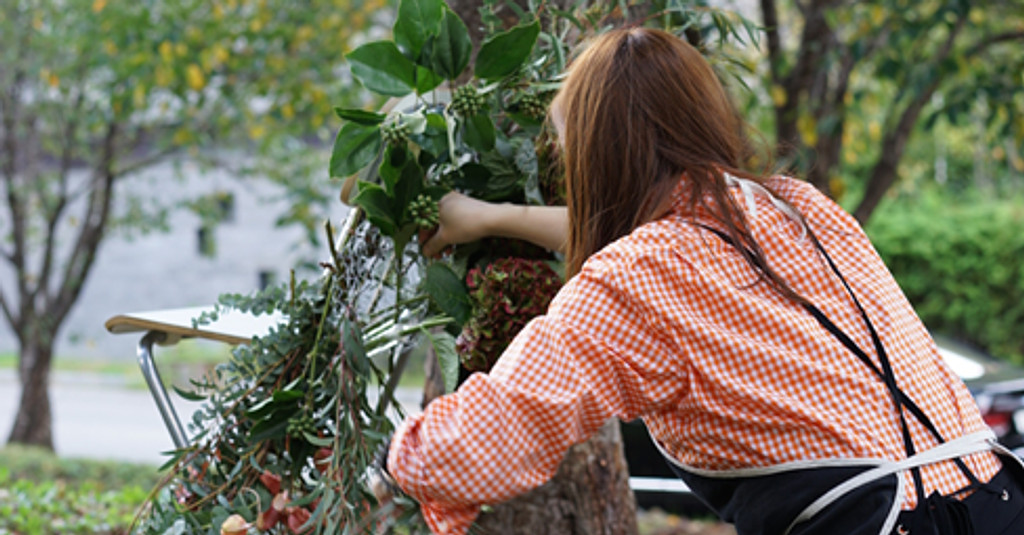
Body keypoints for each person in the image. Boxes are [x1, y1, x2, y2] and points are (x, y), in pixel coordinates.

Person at [380, 27, 1024, 535]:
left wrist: (388, 461)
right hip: (998, 500)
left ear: (599, 154)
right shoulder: (798, 207)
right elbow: (665, 239)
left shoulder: (634, 280)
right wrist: (491, 217)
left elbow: (481, 442)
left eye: (566, 148)